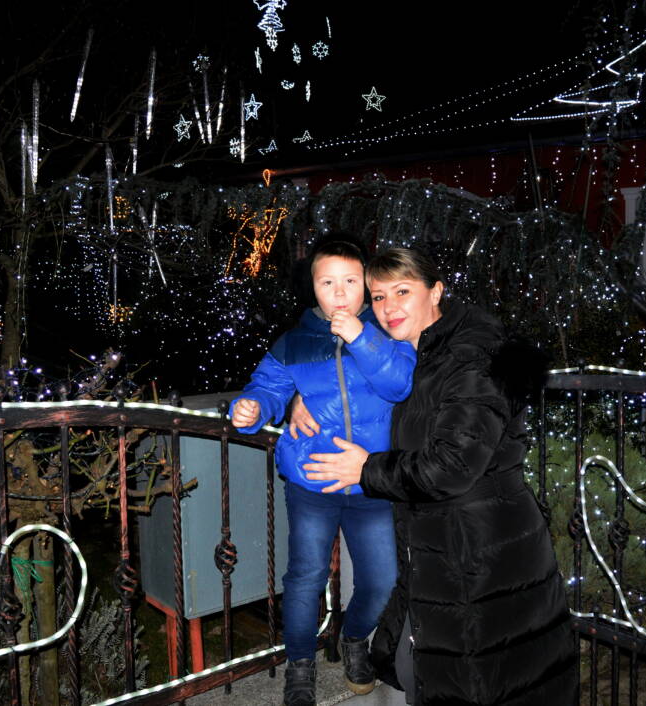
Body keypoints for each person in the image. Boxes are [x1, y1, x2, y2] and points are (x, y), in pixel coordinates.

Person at [302, 248, 579, 705]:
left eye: (402, 291)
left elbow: (452, 466)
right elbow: (352, 385)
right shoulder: (417, 351)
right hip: (444, 552)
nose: (388, 307)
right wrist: (303, 403)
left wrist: (366, 469)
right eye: (378, 296)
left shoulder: (471, 358)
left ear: (436, 292)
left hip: (479, 558)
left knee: (481, 681)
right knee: (435, 673)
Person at [231, 238, 416, 706]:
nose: (339, 292)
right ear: (312, 287)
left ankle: (353, 638)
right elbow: (267, 386)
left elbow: (399, 383)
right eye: (326, 282)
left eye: (350, 281)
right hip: (312, 480)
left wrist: (360, 337)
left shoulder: (387, 331)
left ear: (365, 285)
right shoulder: (294, 342)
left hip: (370, 482)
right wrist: (250, 407)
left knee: (381, 578)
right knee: (305, 577)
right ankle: (300, 664)